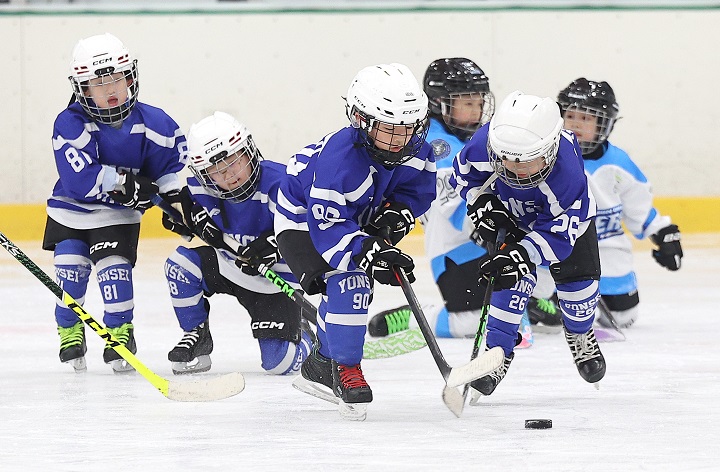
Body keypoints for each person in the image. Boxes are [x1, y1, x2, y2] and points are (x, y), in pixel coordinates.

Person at [274, 63, 435, 420]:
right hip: (303, 221)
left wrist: (395, 218)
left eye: (407, 129)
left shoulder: (416, 148)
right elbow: (329, 231)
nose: (399, 140)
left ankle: (320, 362)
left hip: (357, 215)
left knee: (352, 287)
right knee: (350, 283)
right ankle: (344, 369)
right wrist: (369, 251)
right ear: (361, 122)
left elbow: (418, 192)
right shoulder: (337, 163)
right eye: (388, 130)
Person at [367, 58, 561, 344]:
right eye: (466, 102)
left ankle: (528, 301)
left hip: (489, 241)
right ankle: (413, 317)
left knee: (543, 269)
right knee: (473, 322)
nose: (476, 109)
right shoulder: (433, 143)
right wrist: (506, 236)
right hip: (455, 252)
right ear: (438, 103)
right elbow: (460, 209)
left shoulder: (482, 138)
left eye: (479, 101)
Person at [44, 33, 186, 373]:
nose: (110, 89)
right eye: (97, 82)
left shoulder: (155, 123)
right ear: (82, 88)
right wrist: (125, 184)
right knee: (70, 273)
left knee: (115, 270)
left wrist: (179, 204)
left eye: (116, 78)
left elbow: (169, 169)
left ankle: (120, 331)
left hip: (117, 217)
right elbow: (81, 180)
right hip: (71, 211)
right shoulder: (70, 123)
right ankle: (70, 329)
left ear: (130, 78)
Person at [451, 90, 606, 397]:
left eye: (527, 160)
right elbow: (463, 177)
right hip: (513, 220)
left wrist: (522, 254)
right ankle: (497, 354)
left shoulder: (567, 173)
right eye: (506, 159)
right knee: (507, 286)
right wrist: (480, 201)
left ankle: (580, 332)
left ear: (549, 150)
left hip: (567, 228)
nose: (515, 168)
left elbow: (558, 235)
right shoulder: (487, 142)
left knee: (578, 294)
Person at [160, 111, 314, 376]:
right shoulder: (199, 190)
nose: (230, 175)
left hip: (275, 282)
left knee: (278, 363)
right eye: (216, 171)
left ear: (248, 151)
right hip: (229, 268)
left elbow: (309, 229)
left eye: (234, 162)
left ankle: (309, 338)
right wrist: (179, 217)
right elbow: (174, 210)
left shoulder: (282, 183)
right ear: (204, 175)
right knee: (180, 265)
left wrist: (276, 246)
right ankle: (196, 334)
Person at [557, 78, 683, 328]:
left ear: (604, 124)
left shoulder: (618, 162)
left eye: (587, 118)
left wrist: (662, 233)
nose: (576, 124)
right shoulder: (549, 158)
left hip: (609, 250)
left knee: (624, 317)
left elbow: (639, 206)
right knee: (557, 317)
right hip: (561, 251)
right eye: (571, 116)